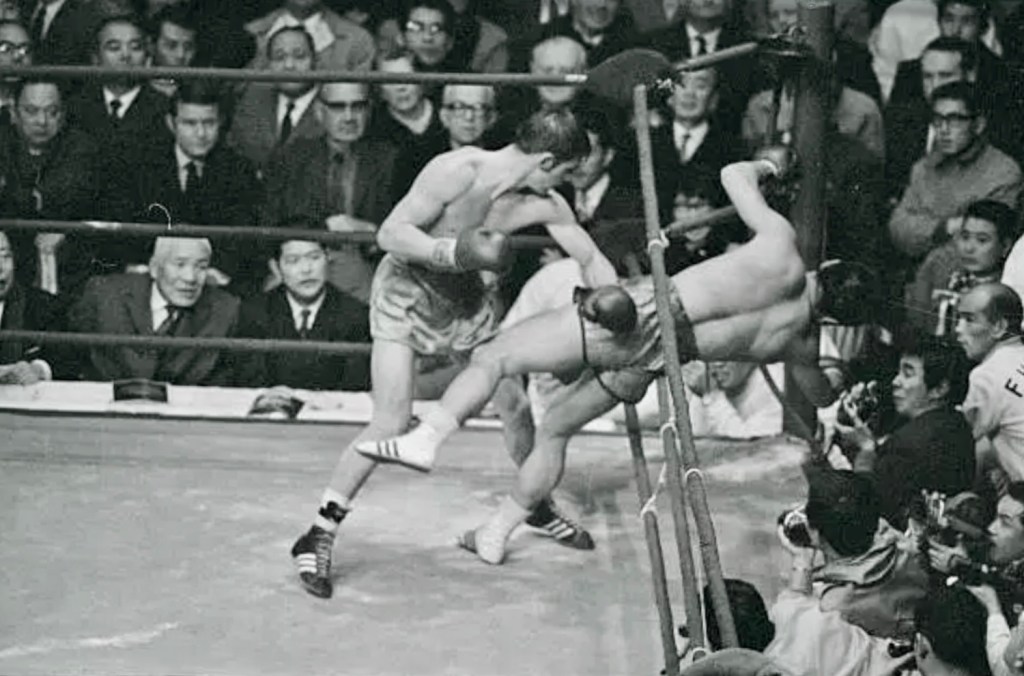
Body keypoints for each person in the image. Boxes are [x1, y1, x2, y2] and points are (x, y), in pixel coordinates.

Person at [357, 156, 878, 565]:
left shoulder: (781, 245)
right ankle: (496, 532)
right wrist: (844, 401)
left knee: (494, 354)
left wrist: (769, 168)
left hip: (643, 315)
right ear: (837, 317)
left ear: (828, 266)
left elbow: (732, 174)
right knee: (556, 429)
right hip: (658, 360)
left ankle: (428, 437)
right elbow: (819, 394)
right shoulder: (799, 342)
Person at [288, 107, 619, 599]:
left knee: (515, 406)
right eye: (567, 171)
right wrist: (453, 251)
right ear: (547, 161)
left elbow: (590, 257)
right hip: (405, 293)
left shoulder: (544, 204)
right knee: (390, 421)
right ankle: (319, 532)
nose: (567, 183)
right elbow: (390, 233)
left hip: (466, 302)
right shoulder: (457, 170)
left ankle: (534, 503)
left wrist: (616, 303)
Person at [262, 81, 398, 304]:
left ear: (369, 110)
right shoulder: (291, 158)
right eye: (338, 107)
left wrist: (370, 231)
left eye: (357, 106)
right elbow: (270, 223)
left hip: (365, 268)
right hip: (302, 262)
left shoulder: (389, 159)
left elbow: (403, 231)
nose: (349, 117)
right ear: (319, 111)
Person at [834, 333, 975, 531]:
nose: (895, 381)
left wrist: (866, 449)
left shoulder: (909, 444)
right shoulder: (956, 423)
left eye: (908, 374)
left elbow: (861, 504)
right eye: (898, 372)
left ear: (939, 389)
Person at [69, 237, 240, 385]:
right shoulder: (105, 294)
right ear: (154, 268)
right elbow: (71, 356)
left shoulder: (225, 309)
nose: (190, 278)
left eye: (201, 267)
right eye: (179, 264)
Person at [232, 222, 371, 391]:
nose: (306, 269)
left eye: (314, 257)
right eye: (293, 261)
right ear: (276, 267)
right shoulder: (255, 312)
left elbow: (355, 385)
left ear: (328, 257)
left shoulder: (356, 314)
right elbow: (249, 381)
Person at [227, 24, 324, 175]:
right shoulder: (252, 98)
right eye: (279, 58)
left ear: (315, 59)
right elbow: (234, 151)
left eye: (299, 56)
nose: (289, 65)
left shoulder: (332, 102)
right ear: (269, 64)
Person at [955, 283, 1024, 487]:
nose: (958, 329)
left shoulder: (987, 375)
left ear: (999, 327)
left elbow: (960, 446)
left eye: (969, 320)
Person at [0, 229, 65, 384]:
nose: (1, 268)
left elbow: (65, 358)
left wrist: (37, 369)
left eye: (6, 256)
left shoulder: (42, 305)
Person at [147, 3, 197, 99]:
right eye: (171, 46)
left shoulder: (204, 85)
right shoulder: (133, 80)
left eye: (188, 47)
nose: (181, 55)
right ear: (151, 46)